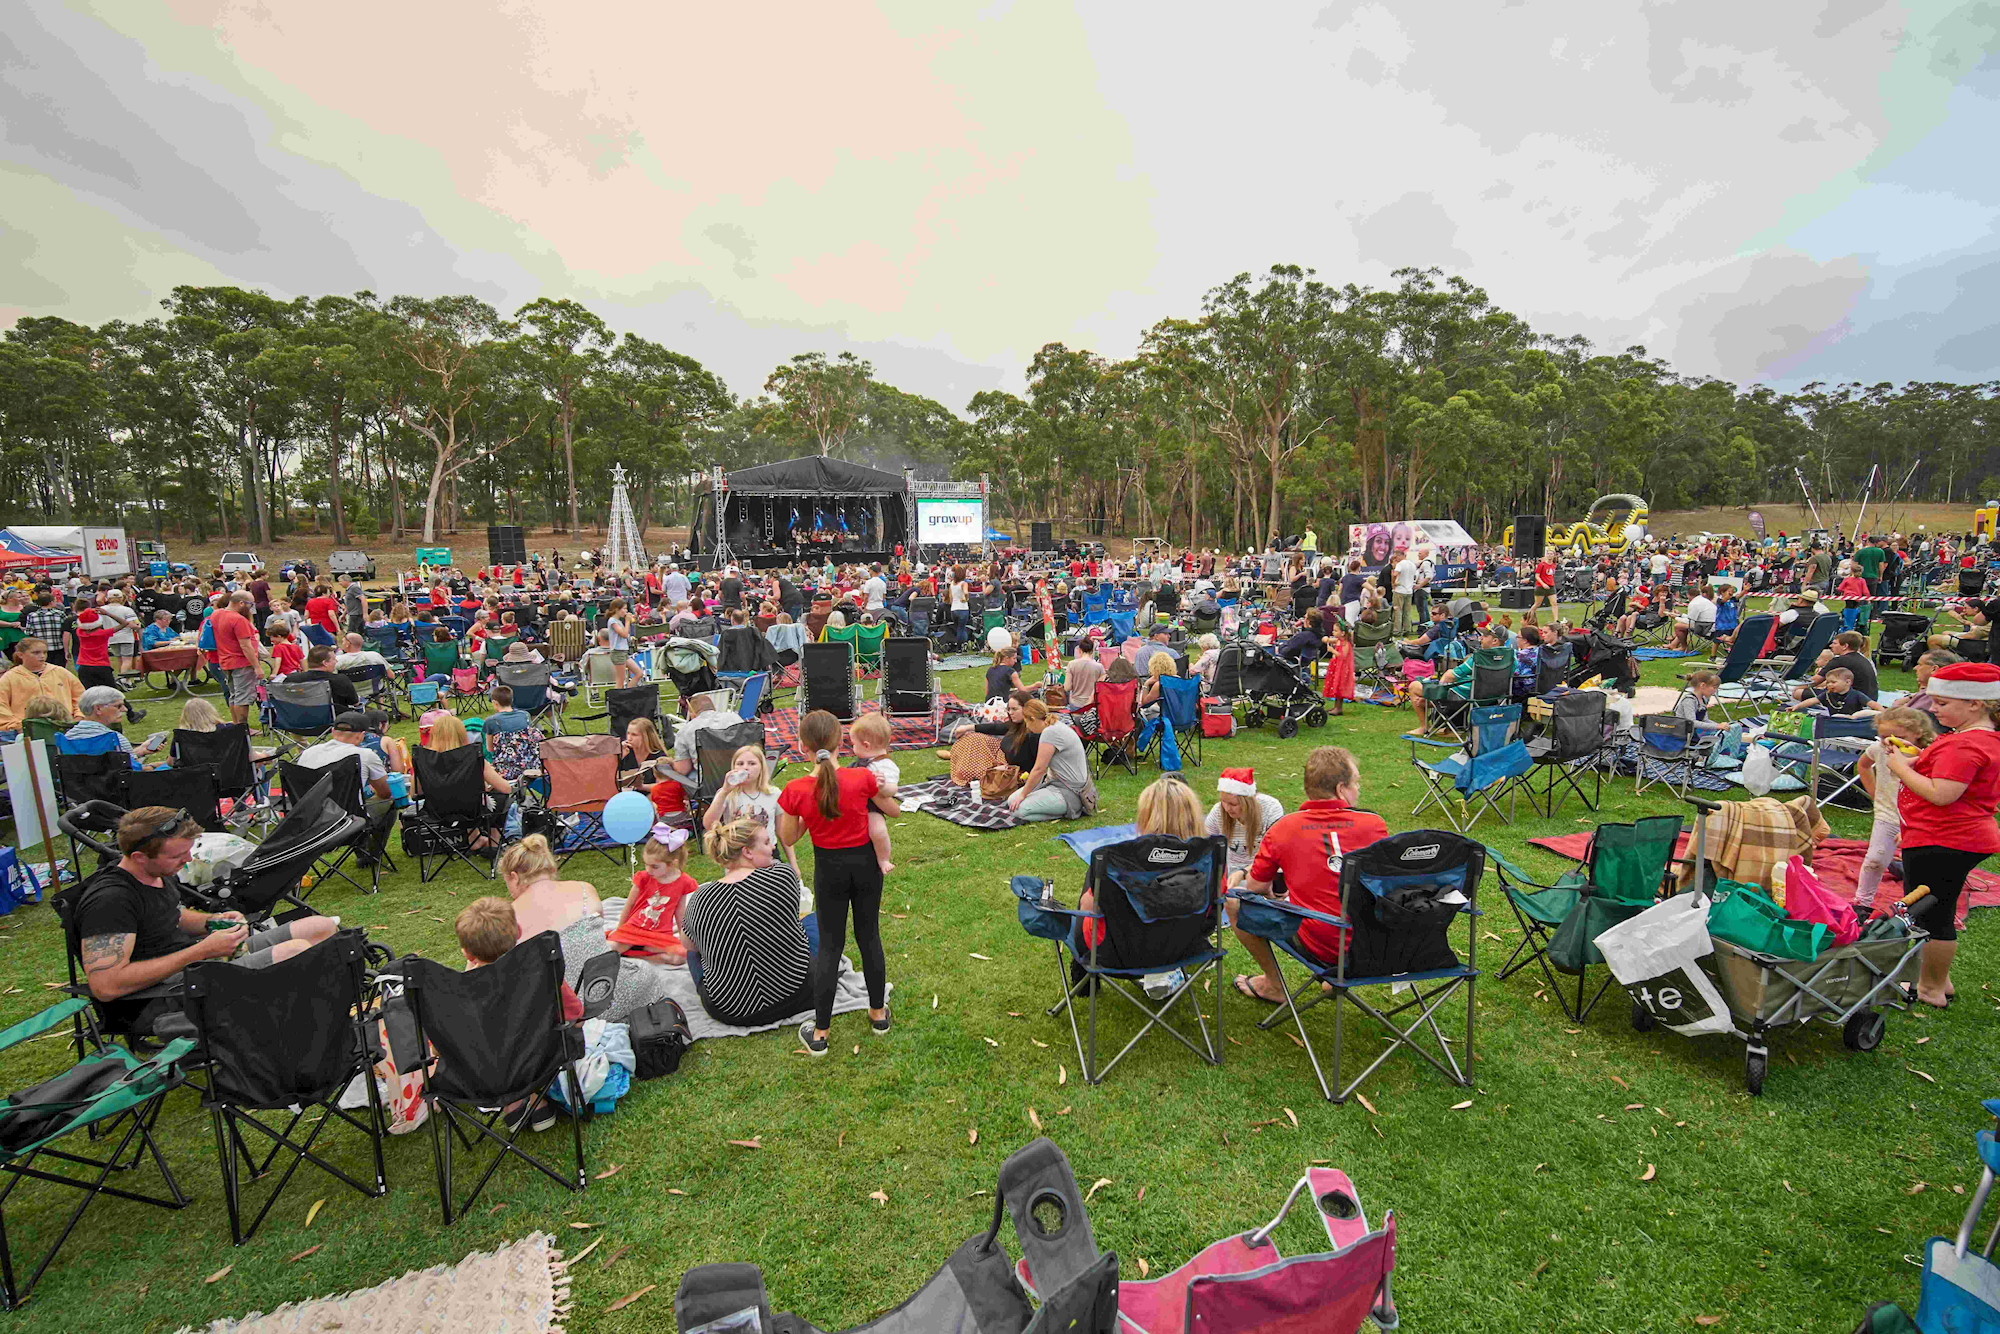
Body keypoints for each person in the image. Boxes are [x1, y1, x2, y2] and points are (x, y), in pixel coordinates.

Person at [73, 807, 339, 1035]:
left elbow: (171, 915)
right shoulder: (110, 901)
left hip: (198, 966)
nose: (188, 860)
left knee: (319, 927)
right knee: (294, 953)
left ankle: (331, 1015)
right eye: (178, 856)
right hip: (159, 999)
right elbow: (106, 986)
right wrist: (200, 951)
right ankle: (317, 1032)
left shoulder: (154, 873)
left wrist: (212, 921)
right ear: (140, 857)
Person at [1881, 661, 2000, 1009]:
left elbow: (1942, 793)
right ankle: (1938, 980)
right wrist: (1920, 758)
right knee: (1937, 910)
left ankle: (1929, 987)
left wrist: (1900, 767)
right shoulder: (1975, 738)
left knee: (1930, 915)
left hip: (1945, 839)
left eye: (1943, 703)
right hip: (1953, 837)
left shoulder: (1964, 745)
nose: (1933, 709)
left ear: (1975, 703)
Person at [1229, 746, 1389, 1004]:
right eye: (1356, 783)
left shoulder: (1284, 828)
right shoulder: (1375, 825)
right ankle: (1333, 977)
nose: (1358, 790)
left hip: (1321, 946)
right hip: (1378, 948)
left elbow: (1257, 886)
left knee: (1234, 901)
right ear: (1341, 789)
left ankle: (1274, 984)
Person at [778, 710, 897, 1054]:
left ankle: (821, 1033)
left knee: (830, 946)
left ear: (803, 747)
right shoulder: (861, 780)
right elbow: (892, 810)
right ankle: (878, 1014)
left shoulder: (796, 789)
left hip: (827, 868)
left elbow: (789, 836)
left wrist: (802, 813)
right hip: (865, 866)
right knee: (868, 935)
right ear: (841, 742)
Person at [497, 834, 674, 1023]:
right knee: (643, 971)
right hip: (613, 995)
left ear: (514, 877)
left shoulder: (507, 916)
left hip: (558, 1015)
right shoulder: (583, 889)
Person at [680, 818, 817, 1028]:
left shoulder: (700, 898)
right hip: (799, 993)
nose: (773, 847)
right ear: (747, 852)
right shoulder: (783, 875)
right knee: (814, 921)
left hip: (731, 1009)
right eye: (766, 842)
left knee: (693, 951)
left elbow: (690, 946)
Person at [1853, 707, 1936, 923]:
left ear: (1918, 732)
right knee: (1874, 859)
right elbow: (1863, 765)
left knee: (1917, 865)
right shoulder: (1878, 749)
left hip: (1920, 818)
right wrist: (1874, 795)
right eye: (1883, 737)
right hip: (1888, 813)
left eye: (1898, 737)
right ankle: (1862, 903)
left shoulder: (1930, 754)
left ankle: (1916, 908)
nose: (1890, 742)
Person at [417, 714, 513, 848]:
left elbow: (416, 792)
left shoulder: (422, 760)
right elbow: (506, 788)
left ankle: (474, 838)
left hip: (437, 813)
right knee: (500, 796)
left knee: (463, 797)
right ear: (462, 734)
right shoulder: (474, 757)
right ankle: (494, 841)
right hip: (474, 812)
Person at [608, 825, 697, 963]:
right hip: (634, 929)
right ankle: (631, 949)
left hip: (659, 935)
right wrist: (620, 929)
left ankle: (636, 954)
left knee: (681, 957)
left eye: (654, 866)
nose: (648, 870)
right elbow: (629, 904)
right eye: (646, 864)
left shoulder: (684, 882)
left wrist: (683, 939)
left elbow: (680, 914)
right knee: (610, 948)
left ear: (673, 864)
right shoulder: (643, 877)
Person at [1005, 696, 1095, 822]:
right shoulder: (1055, 726)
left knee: (1018, 810)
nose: (1028, 728)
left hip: (1072, 792)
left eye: (1027, 723)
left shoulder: (1050, 733)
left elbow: (1039, 769)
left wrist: (1023, 795)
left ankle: (1071, 811)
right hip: (1058, 785)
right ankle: (1064, 809)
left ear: (1032, 719)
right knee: (1011, 801)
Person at [1205, 768, 1285, 887]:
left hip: (1264, 869)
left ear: (1247, 802)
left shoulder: (1271, 809)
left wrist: (1243, 872)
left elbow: (1276, 854)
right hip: (1233, 871)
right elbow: (1205, 844)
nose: (1227, 809)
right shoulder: (1218, 812)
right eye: (1223, 802)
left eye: (1233, 804)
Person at [0, 637, 84, 739]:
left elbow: (80, 697)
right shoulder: (10, 677)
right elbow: (2, 706)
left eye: (45, 652)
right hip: (26, 729)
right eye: (36, 653)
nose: (42, 656)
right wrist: (17, 726)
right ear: (20, 655)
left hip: (64, 727)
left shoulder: (60, 672)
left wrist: (78, 717)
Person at [849, 712, 900, 875]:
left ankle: (883, 858)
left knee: (878, 830)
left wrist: (881, 786)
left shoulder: (885, 765)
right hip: (853, 804)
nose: (852, 748)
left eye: (853, 745)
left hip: (872, 808)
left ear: (866, 745)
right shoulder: (859, 763)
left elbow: (893, 790)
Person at [210, 591, 265, 726]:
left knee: (234, 696)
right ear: (241, 603)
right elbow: (246, 646)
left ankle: (236, 726)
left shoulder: (216, 614)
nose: (251, 608)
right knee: (242, 698)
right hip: (241, 663)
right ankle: (242, 729)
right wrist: (257, 667)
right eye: (250, 604)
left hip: (225, 661)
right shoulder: (238, 619)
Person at [1788, 665, 1868, 715]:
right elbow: (1813, 700)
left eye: (1833, 682)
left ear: (1847, 682)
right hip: (1834, 722)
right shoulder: (1828, 694)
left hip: (1853, 723)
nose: (1829, 685)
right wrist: (1797, 706)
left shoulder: (1856, 694)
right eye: (1828, 682)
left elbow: (1873, 704)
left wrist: (1880, 713)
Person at [618, 716, 669, 790]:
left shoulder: (659, 756)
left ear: (646, 737)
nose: (629, 738)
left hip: (651, 795)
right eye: (628, 733)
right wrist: (619, 757)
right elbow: (609, 777)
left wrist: (641, 787)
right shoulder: (625, 751)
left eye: (634, 735)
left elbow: (665, 786)